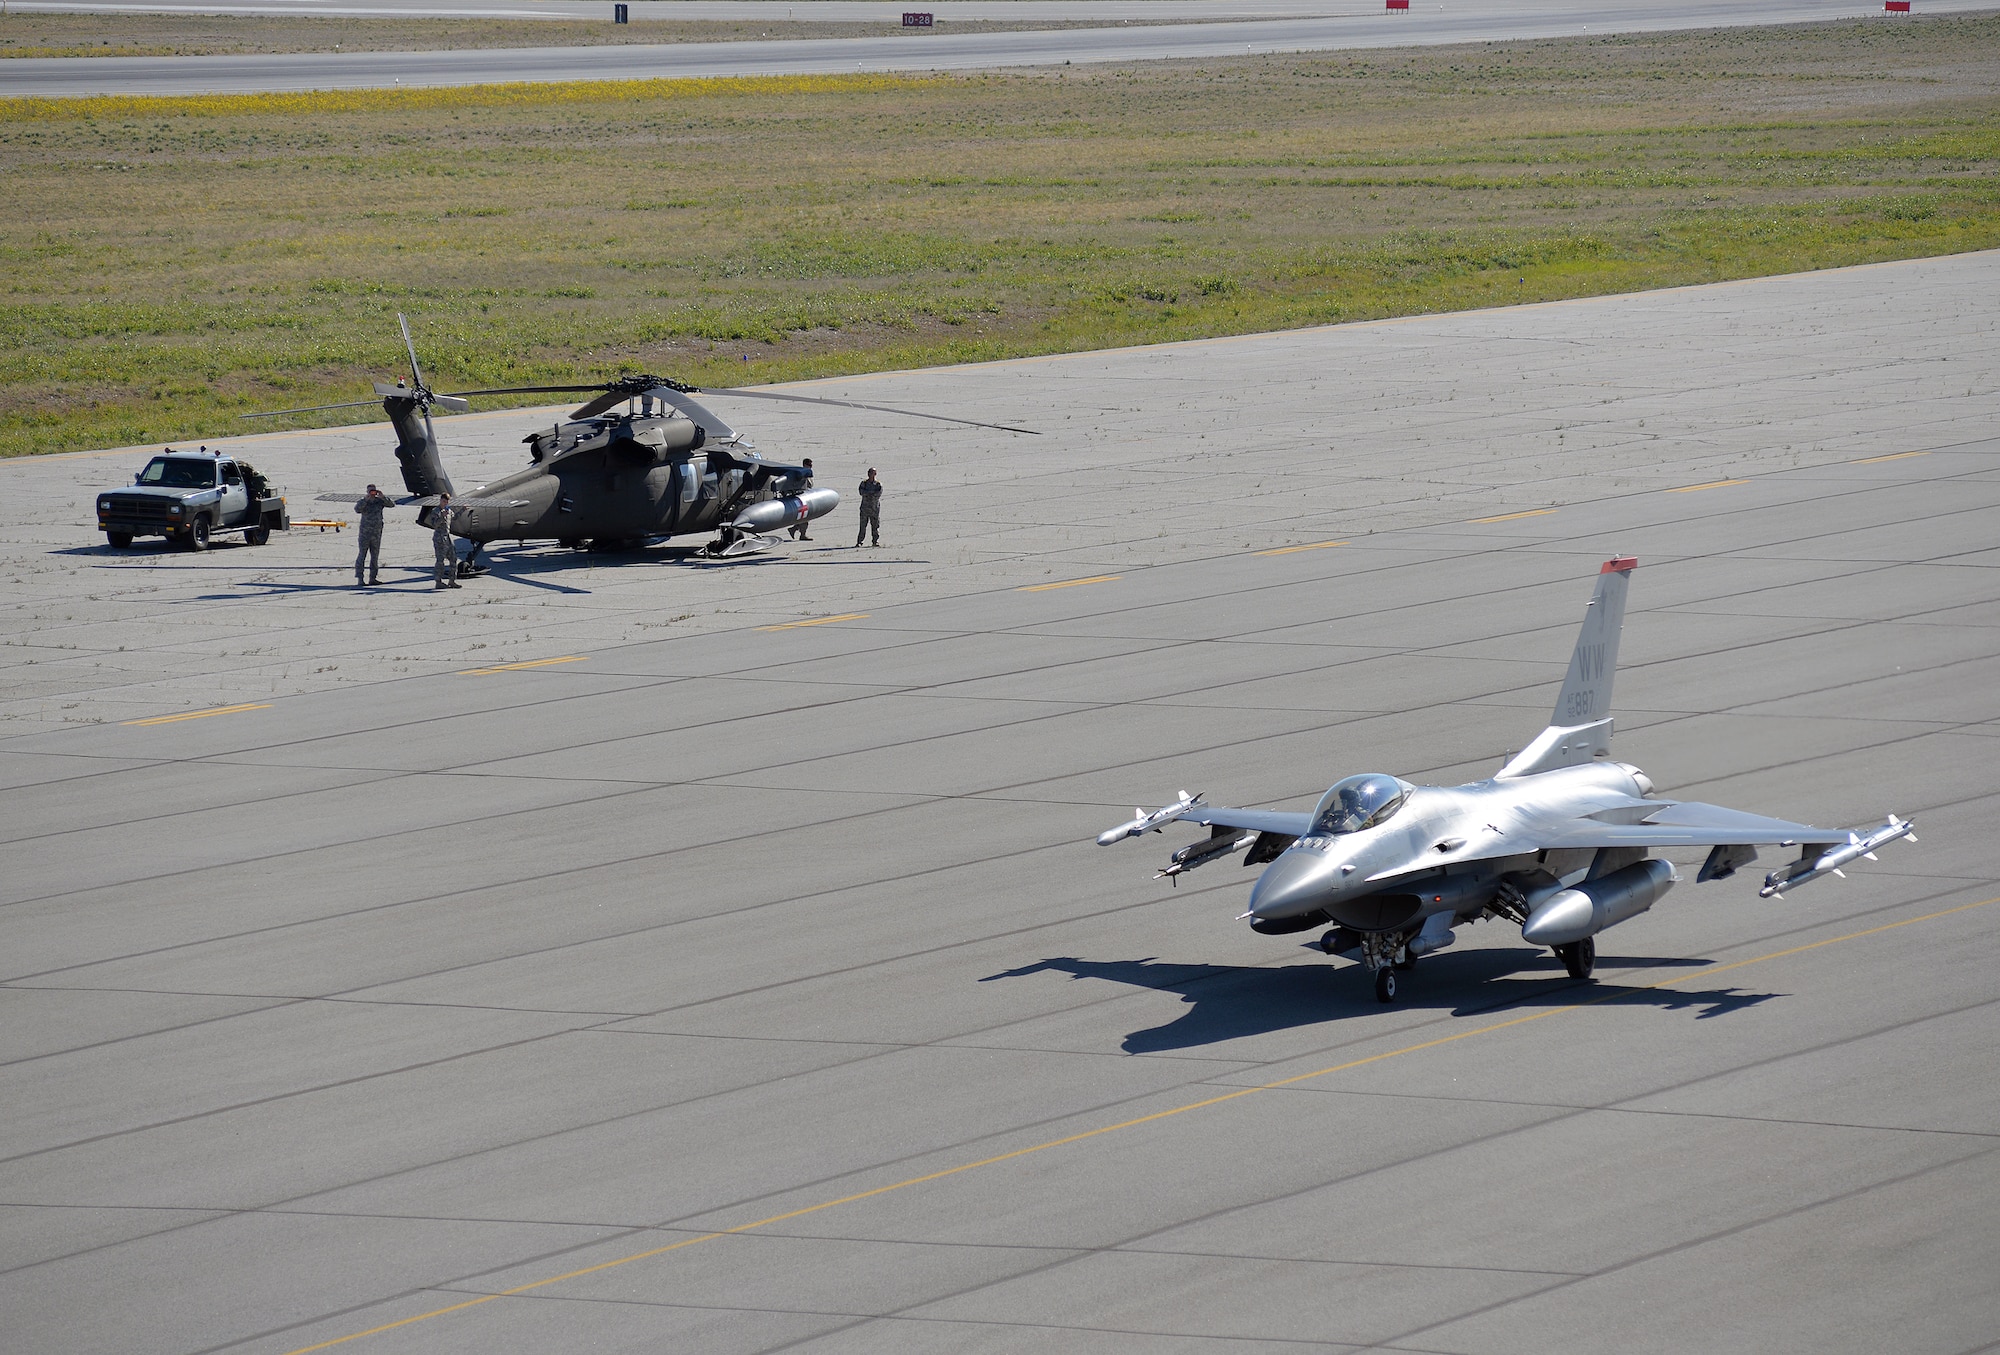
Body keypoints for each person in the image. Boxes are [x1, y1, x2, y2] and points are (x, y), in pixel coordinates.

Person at [353, 484, 392, 586]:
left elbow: (391, 504)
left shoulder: (379, 502)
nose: (372, 493)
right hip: (365, 534)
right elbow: (357, 509)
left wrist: (383, 497)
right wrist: (365, 500)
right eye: (370, 491)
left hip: (376, 533)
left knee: (375, 557)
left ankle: (372, 578)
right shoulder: (363, 502)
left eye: (374, 491)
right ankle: (360, 578)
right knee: (362, 555)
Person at [432, 493, 462, 590]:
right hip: (439, 538)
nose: (445, 503)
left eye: (447, 502)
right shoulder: (436, 511)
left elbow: (454, 517)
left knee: (453, 558)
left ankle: (452, 580)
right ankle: (438, 582)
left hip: (447, 537)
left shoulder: (448, 510)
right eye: (444, 501)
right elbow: (434, 525)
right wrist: (441, 517)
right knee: (440, 561)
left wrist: (462, 511)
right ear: (440, 500)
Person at [788, 458, 815, 540]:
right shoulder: (801, 474)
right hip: (802, 498)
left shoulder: (807, 473)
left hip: (806, 497)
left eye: (811, 465)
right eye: (809, 465)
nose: (811, 466)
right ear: (804, 465)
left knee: (805, 518)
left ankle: (794, 529)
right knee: (805, 518)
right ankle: (801, 534)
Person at [855, 467, 882, 547]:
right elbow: (861, 492)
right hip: (865, 509)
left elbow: (878, 494)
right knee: (862, 526)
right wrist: (870, 493)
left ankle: (875, 541)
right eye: (870, 473)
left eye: (873, 473)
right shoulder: (864, 483)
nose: (871, 475)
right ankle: (860, 541)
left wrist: (869, 494)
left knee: (875, 526)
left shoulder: (878, 484)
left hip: (874, 509)